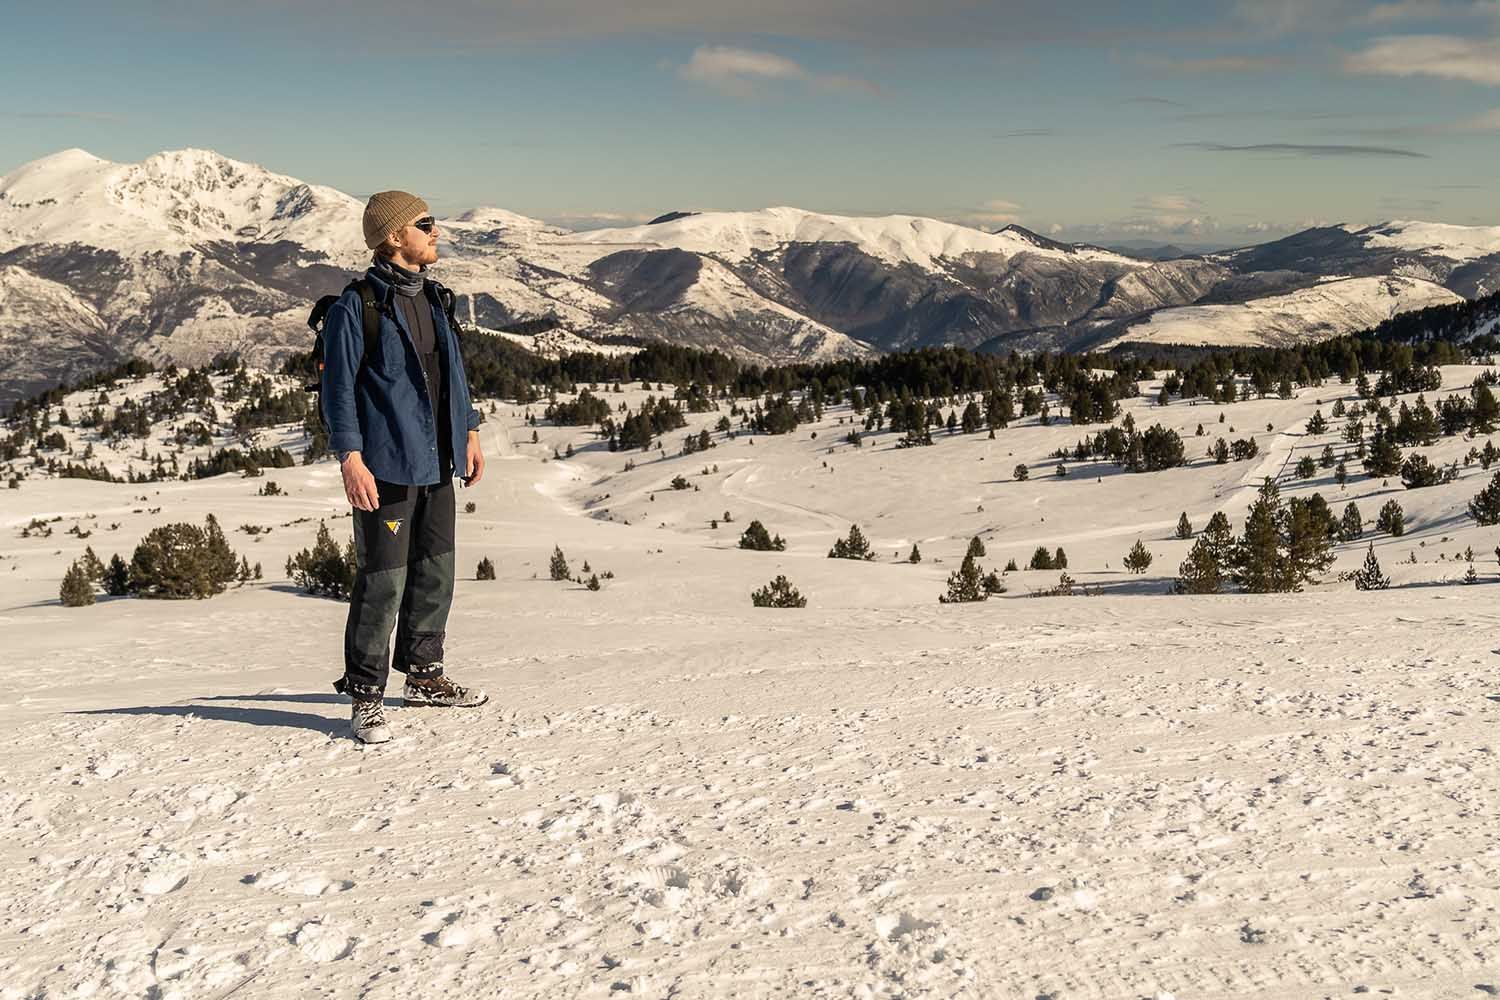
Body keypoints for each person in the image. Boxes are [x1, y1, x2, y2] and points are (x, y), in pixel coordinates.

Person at [320, 190, 488, 744]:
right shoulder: (358, 305)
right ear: (394, 237)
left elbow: (453, 374)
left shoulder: (436, 299)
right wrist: (350, 458)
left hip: (437, 459)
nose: (437, 231)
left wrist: (469, 429)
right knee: (382, 580)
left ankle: (424, 674)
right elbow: (338, 389)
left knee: (434, 572)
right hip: (387, 464)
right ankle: (366, 695)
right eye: (426, 223)